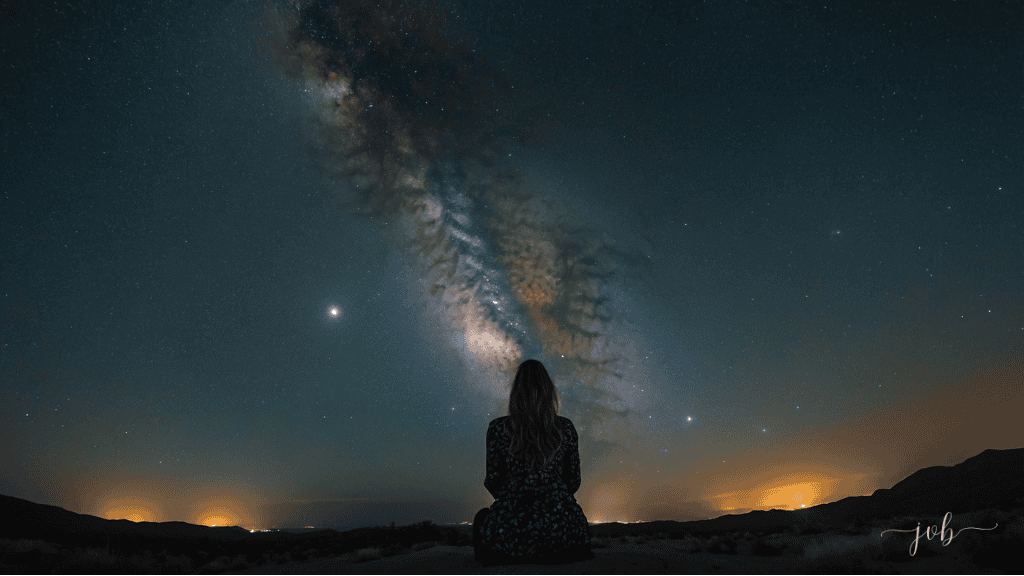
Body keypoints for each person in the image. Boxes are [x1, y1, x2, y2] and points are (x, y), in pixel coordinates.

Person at [473, 359, 595, 565]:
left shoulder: (497, 428)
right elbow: (573, 480)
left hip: (512, 528)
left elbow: (493, 480)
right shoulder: (565, 427)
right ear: (549, 391)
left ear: (515, 392)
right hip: (563, 530)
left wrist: (517, 497)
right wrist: (551, 497)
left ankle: (506, 550)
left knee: (482, 518)